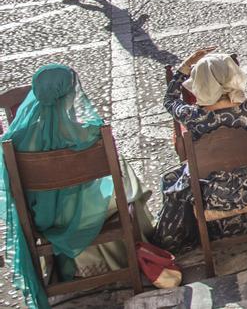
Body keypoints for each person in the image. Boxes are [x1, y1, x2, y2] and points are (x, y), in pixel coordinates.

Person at [0, 64, 154, 309]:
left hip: (45, 220)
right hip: (85, 217)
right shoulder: (89, 134)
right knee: (131, 189)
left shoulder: (14, 142)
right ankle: (136, 253)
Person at [152, 49, 247, 253]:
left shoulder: (192, 116)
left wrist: (183, 69)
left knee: (174, 178)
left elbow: (169, 100)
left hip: (211, 197)